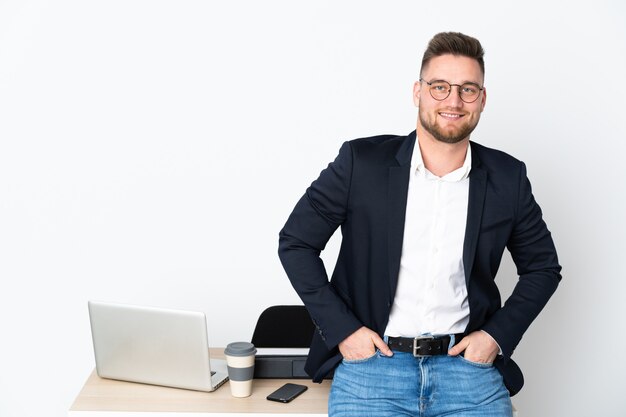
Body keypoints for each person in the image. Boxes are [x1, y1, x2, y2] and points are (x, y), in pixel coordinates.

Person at [278, 32, 561, 417]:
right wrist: (343, 330)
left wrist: (496, 337)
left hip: (467, 375)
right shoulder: (361, 163)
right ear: (418, 91)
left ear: (482, 99)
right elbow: (296, 242)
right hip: (373, 372)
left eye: (467, 89)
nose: (453, 101)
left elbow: (543, 267)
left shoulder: (507, 178)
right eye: (440, 87)